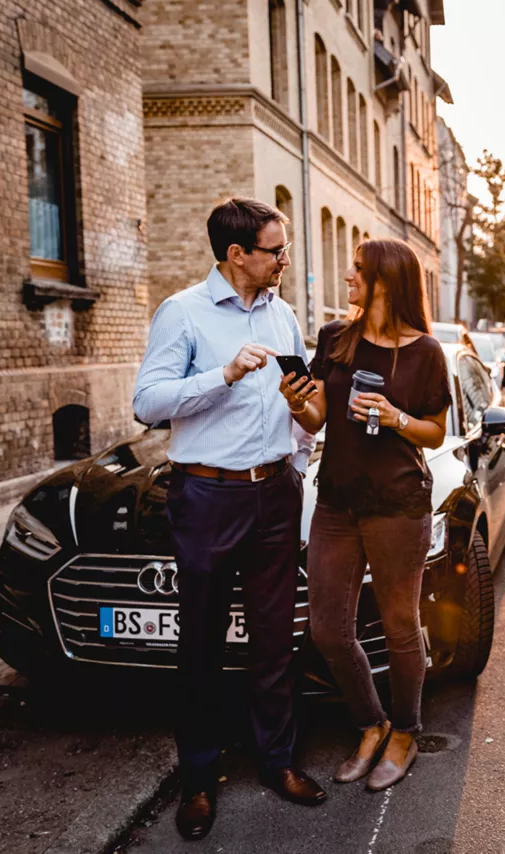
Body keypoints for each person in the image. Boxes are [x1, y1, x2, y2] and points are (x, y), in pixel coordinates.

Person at [133, 198, 326, 842]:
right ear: (236, 254)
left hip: (275, 494)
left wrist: (298, 448)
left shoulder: (285, 315)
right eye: (275, 250)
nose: (284, 259)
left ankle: (278, 763)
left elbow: (305, 404)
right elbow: (148, 402)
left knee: (275, 641)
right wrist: (223, 373)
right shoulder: (183, 312)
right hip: (208, 498)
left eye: (284, 247)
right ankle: (197, 779)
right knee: (203, 644)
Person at [279, 238, 451, 792]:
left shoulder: (425, 351)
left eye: (357, 270)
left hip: (398, 505)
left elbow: (435, 431)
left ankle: (405, 732)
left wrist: (396, 416)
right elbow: (315, 418)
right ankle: (371, 722)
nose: (348, 277)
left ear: (385, 280)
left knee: (400, 625)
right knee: (328, 628)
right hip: (336, 502)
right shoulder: (336, 338)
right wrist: (294, 400)